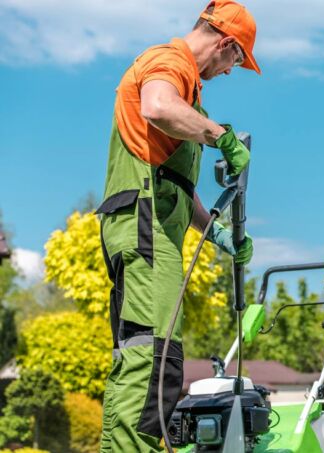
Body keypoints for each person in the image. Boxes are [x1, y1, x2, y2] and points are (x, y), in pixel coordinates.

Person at [96, 1, 260, 450]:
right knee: (153, 358)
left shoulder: (189, 89)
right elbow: (157, 106)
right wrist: (220, 136)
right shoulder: (170, 63)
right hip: (144, 227)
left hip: (153, 226)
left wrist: (217, 232)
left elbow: (175, 186)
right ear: (225, 42)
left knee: (153, 355)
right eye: (237, 60)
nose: (230, 71)